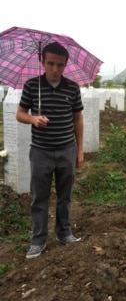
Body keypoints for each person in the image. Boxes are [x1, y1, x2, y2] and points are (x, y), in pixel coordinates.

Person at [16, 42, 84, 259]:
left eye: (60, 65)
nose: (55, 69)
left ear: (66, 65)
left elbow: (77, 119)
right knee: (39, 197)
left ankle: (64, 233)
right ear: (42, 62)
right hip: (41, 152)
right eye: (51, 64)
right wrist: (33, 119)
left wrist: (79, 150)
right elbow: (20, 114)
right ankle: (38, 240)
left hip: (66, 149)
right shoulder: (32, 86)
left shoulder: (72, 88)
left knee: (65, 195)